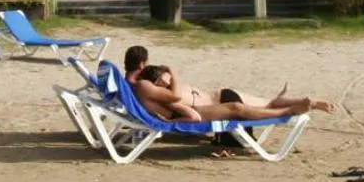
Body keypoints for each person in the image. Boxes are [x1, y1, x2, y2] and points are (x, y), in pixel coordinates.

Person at [130, 61, 336, 123]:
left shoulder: (160, 90)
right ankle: (290, 110)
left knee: (269, 102)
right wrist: (172, 73)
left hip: (220, 94)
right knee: (239, 109)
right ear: (156, 82)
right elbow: (183, 109)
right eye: (163, 78)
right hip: (210, 109)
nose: (168, 79)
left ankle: (311, 102)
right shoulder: (164, 97)